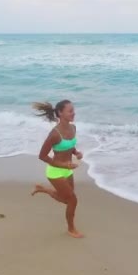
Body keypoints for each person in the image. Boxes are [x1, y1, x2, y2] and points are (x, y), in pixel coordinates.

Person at [31, 99, 84, 238]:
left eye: (73, 110)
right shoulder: (55, 134)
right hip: (55, 171)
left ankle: (43, 189)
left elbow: (70, 145)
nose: (73, 113)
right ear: (60, 113)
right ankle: (71, 229)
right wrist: (63, 165)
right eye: (70, 111)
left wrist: (76, 153)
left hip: (68, 169)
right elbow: (42, 156)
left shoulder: (73, 128)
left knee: (67, 199)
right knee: (72, 200)